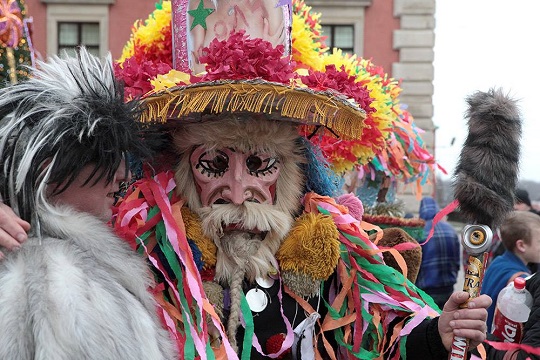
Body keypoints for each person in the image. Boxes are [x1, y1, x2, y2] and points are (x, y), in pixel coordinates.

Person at [0, 48, 176, 359]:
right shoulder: (59, 282)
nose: (123, 175)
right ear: (49, 171)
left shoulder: (72, 265)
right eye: (105, 157)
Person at [188, 0, 287, 73]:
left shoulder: (269, 4)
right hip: (213, 98)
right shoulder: (199, 5)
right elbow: (198, 70)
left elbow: (276, 69)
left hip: (259, 97)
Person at [481, 211, 540, 332]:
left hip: (484, 335)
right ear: (521, 245)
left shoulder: (498, 262)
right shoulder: (521, 282)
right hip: (497, 344)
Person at [416, 196, 461, 309]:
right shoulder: (451, 230)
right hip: (447, 286)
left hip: (426, 288)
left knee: (430, 322)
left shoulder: (419, 232)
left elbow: (416, 263)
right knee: (445, 317)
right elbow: (457, 261)